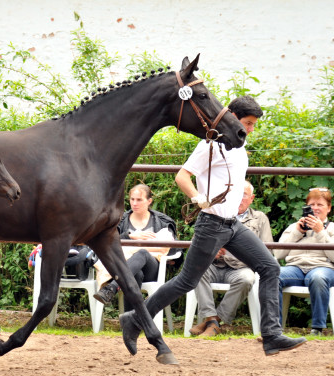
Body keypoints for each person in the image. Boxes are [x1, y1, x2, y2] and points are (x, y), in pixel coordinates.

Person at [120, 95, 307, 357]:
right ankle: (136, 318)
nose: (250, 129)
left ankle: (272, 336)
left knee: (270, 268)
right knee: (186, 281)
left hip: (233, 224)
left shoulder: (238, 144)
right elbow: (182, 176)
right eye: (248, 123)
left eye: (253, 124)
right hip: (212, 224)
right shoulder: (211, 145)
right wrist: (198, 199)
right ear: (231, 117)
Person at [190, 180, 273, 336]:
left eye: (244, 195)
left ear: (252, 198)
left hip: (242, 267)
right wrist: (211, 252)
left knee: (247, 279)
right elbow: (197, 245)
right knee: (196, 270)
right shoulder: (214, 213)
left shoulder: (260, 218)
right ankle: (210, 317)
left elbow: (267, 250)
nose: (240, 198)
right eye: (237, 194)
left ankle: (215, 322)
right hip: (214, 264)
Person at [93, 184, 178, 310]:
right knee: (135, 275)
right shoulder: (120, 220)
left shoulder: (162, 221)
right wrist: (130, 236)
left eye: (139, 200)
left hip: (152, 269)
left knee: (142, 253)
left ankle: (111, 287)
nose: (134, 203)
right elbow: (107, 242)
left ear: (149, 201)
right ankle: (130, 321)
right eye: (132, 199)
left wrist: (137, 248)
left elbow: (169, 248)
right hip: (124, 266)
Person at [275, 188, 334, 335]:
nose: (315, 208)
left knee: (318, 277)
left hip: (323, 268)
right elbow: (278, 253)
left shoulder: (332, 228)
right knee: (273, 275)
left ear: (328, 208)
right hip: (295, 269)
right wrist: (297, 232)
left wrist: (321, 232)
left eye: (320, 204)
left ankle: (317, 329)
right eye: (311, 204)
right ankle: (274, 328)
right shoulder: (294, 226)